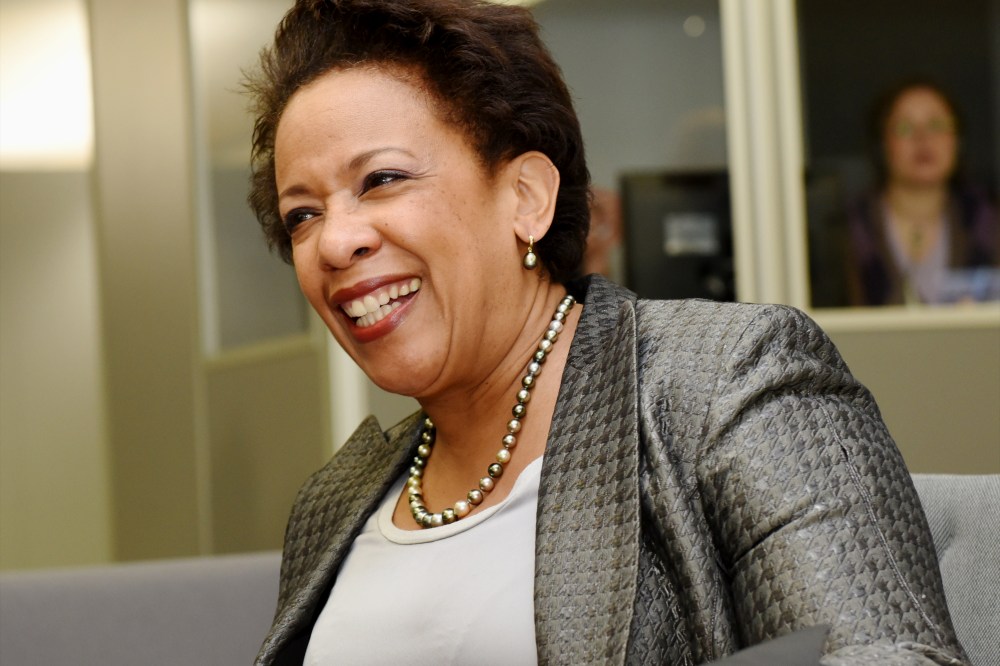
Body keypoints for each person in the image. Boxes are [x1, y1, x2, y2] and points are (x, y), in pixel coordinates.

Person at [246, 1, 968, 663]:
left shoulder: (727, 388)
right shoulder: (334, 501)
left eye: (382, 180)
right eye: (302, 215)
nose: (335, 243)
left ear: (526, 197)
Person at [846, 80, 999, 306]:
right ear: (882, 144)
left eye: (936, 125)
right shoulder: (850, 229)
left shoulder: (988, 220)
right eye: (905, 128)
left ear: (957, 141)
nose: (923, 139)